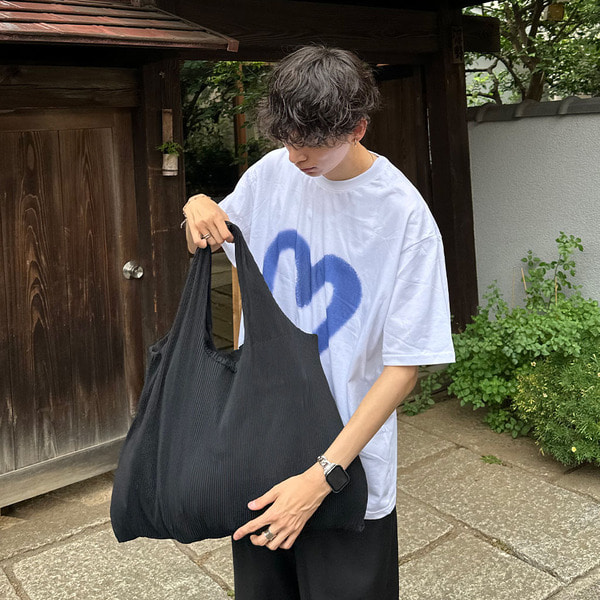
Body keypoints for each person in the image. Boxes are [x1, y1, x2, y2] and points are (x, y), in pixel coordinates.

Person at [183, 45, 455, 600]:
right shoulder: (270, 173)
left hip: (347, 459)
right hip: (260, 439)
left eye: (311, 143)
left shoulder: (403, 216)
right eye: (287, 140)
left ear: (357, 128)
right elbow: (215, 243)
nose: (296, 156)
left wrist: (323, 476)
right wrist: (196, 205)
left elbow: (405, 368)